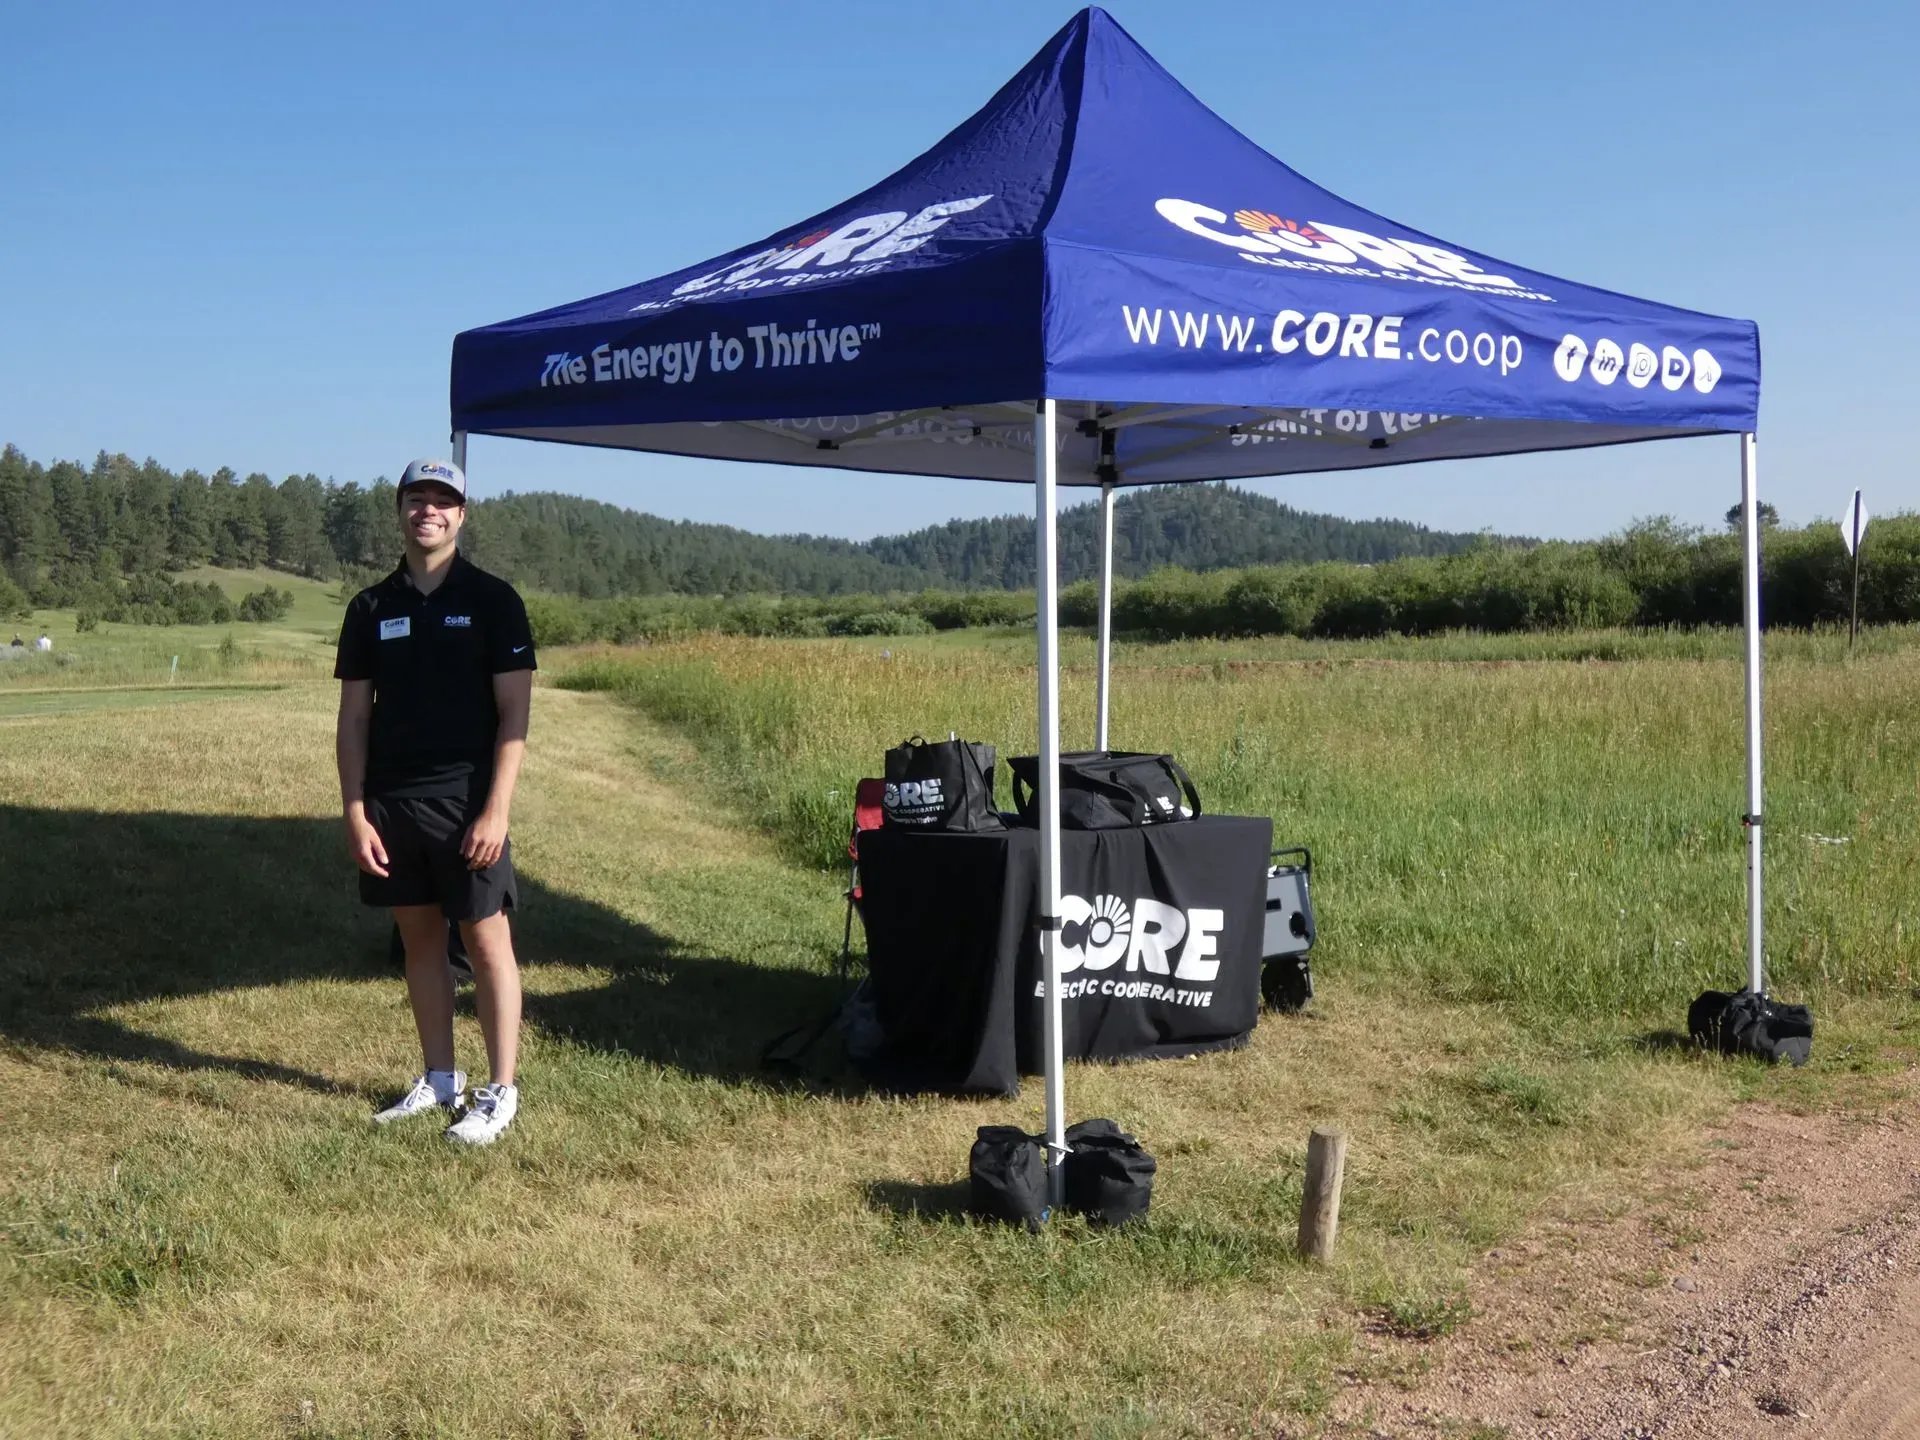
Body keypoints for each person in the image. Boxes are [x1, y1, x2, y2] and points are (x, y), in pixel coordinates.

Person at [334, 457, 536, 1145]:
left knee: (485, 943)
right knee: (420, 943)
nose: (430, 510)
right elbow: (354, 719)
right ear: (399, 510)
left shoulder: (494, 600)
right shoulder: (370, 607)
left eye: (443, 500)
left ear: (461, 515)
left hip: (468, 802)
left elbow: (514, 717)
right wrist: (356, 810)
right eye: (417, 498)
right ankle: (440, 1079)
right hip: (392, 804)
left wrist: (497, 809)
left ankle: (500, 1092)